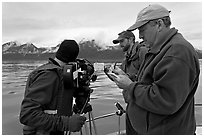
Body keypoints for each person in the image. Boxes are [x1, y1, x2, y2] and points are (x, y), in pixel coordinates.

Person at [111, 4, 200, 135]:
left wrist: (129, 86)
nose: (140, 36)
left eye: (142, 29)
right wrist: (127, 79)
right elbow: (150, 83)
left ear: (159, 24)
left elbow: (166, 100)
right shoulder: (160, 49)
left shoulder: (176, 51)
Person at [19, 40, 86, 135]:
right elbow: (27, 114)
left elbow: (57, 98)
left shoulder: (58, 74)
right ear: (73, 60)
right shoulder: (49, 76)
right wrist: (66, 123)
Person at [112, 30, 148, 134]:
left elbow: (148, 77)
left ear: (131, 39)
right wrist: (112, 75)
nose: (120, 45)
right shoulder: (126, 59)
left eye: (122, 41)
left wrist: (128, 77)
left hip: (143, 106)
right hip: (131, 105)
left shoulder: (143, 52)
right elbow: (122, 77)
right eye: (119, 42)